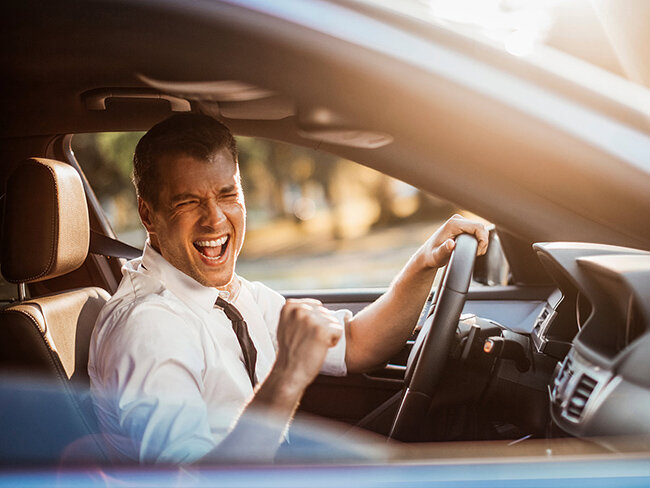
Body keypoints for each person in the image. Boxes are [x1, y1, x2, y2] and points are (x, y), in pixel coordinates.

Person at [88, 114, 488, 464]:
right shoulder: (148, 327)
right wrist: (290, 373)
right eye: (188, 202)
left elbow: (354, 343)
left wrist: (425, 263)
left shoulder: (231, 294)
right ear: (148, 215)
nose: (216, 219)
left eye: (228, 195)